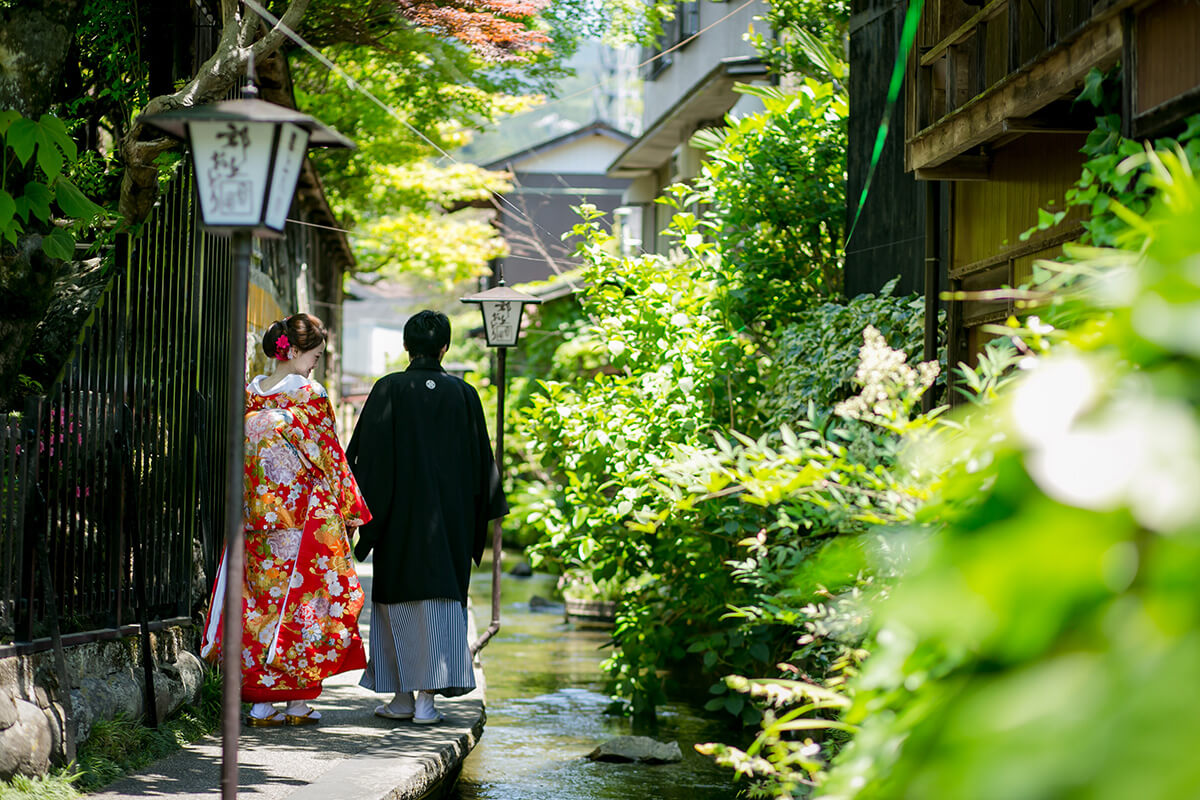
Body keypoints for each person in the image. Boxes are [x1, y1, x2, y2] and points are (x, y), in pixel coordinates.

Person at [200, 313, 371, 727]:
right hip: (300, 521)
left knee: (260, 609)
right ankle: (293, 703)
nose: (316, 363)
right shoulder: (309, 395)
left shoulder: (250, 395)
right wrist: (352, 510)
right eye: (313, 355)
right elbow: (331, 456)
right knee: (302, 611)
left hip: (256, 519)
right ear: (293, 351)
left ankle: (263, 704)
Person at [347, 309, 508, 724]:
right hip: (449, 522)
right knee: (440, 598)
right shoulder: (464, 394)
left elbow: (367, 460)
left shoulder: (389, 389)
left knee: (396, 600)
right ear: (445, 347)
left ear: (406, 346)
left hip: (399, 518)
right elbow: (481, 465)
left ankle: (402, 697)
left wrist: (363, 517)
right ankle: (424, 702)